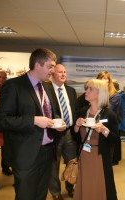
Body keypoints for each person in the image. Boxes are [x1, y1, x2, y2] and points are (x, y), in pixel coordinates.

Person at [0, 48, 64, 200]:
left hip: (47, 153)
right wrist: (33, 120)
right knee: (26, 196)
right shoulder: (13, 86)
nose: (53, 70)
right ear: (37, 65)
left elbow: (52, 113)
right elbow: (0, 120)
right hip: (25, 154)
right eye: (50, 66)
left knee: (40, 195)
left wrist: (58, 123)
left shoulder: (46, 87)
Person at [73, 79, 119, 200]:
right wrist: (76, 126)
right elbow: (76, 137)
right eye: (86, 88)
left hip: (99, 157)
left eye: (90, 89)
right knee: (85, 185)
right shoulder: (83, 111)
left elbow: (115, 139)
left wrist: (104, 130)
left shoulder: (109, 114)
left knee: (98, 187)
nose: (86, 92)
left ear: (100, 93)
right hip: (84, 155)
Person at [47, 64, 79, 200]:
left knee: (71, 162)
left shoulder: (71, 91)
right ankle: (55, 192)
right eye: (60, 72)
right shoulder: (46, 90)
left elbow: (75, 111)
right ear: (53, 73)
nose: (63, 74)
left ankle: (70, 186)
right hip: (53, 133)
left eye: (65, 72)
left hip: (70, 133)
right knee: (53, 164)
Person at [96, 71, 121, 165]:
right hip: (95, 128)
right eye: (101, 78)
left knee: (106, 159)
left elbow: (105, 109)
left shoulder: (115, 95)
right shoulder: (94, 92)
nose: (103, 81)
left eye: (105, 78)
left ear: (109, 81)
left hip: (108, 128)